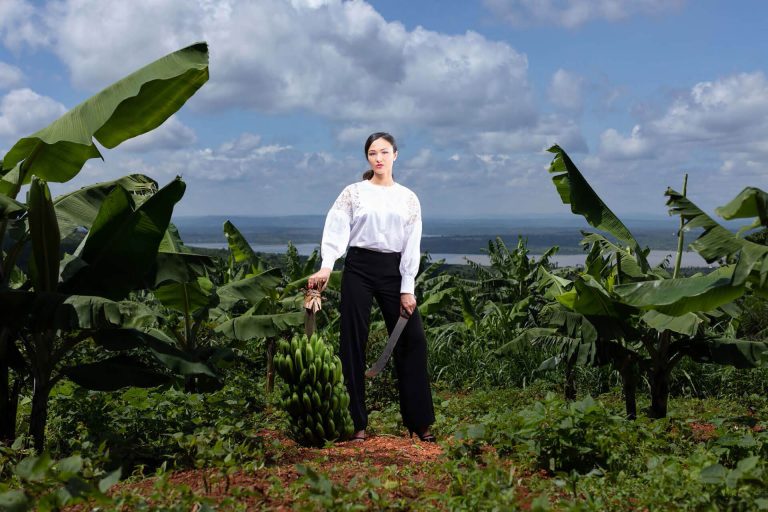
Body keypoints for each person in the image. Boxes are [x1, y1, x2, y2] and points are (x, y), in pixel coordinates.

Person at [307, 132, 436, 443]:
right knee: (352, 342)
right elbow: (336, 231)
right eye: (372, 153)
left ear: (395, 155)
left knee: (413, 340)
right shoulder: (354, 193)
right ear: (367, 158)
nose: (378, 158)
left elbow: (411, 245)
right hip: (359, 267)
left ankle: (420, 423)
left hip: (394, 270)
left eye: (384, 152)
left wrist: (408, 287)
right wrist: (327, 266)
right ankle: (355, 424)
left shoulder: (408, 198)